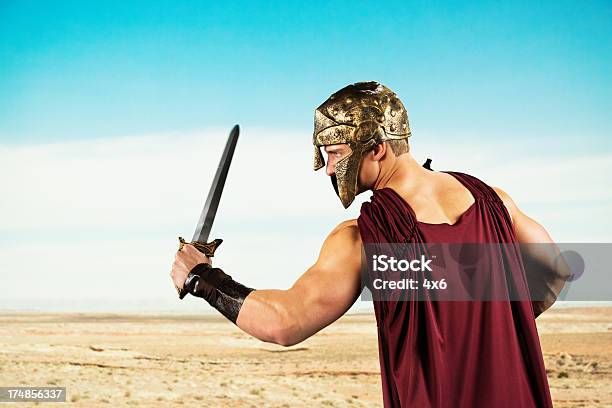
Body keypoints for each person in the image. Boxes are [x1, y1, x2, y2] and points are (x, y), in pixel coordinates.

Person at [171, 81, 568, 407]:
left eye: (336, 153)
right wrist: (487, 328)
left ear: (377, 148)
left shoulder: (363, 237)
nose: (328, 168)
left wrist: (202, 279)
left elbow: (284, 322)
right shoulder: (494, 200)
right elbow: (555, 271)